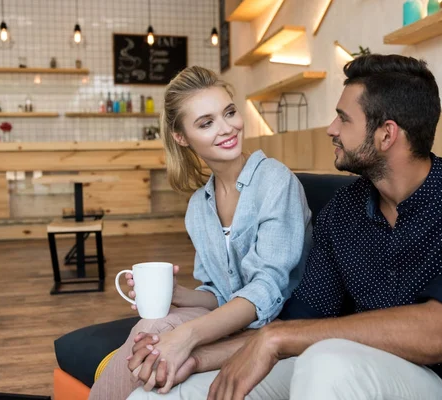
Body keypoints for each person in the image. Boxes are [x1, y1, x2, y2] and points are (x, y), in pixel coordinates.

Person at [127, 54, 442, 400]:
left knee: (326, 360)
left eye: (343, 118)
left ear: (386, 134)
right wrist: (194, 358)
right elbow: (298, 322)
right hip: (348, 368)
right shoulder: (343, 212)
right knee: (170, 391)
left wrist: (276, 339)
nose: (331, 129)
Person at [88, 66, 312, 400]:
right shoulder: (199, 206)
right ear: (182, 137)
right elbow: (221, 292)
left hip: (278, 328)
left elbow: (265, 291)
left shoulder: (276, 182)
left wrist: (187, 335)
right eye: (206, 123)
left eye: (229, 113)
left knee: (159, 336)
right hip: (231, 323)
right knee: (150, 328)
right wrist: (178, 294)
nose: (227, 128)